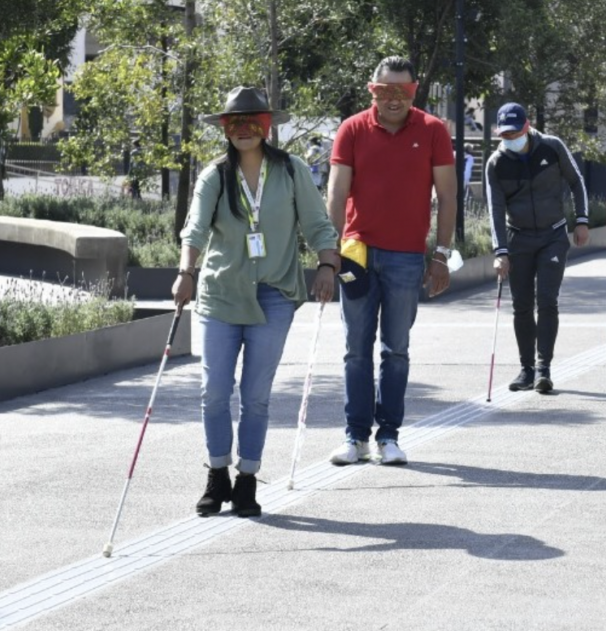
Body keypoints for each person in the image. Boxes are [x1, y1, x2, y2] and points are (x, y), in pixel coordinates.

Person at [174, 86, 339, 517]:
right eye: (235, 122)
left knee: (256, 394)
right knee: (214, 391)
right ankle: (217, 474)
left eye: (253, 121)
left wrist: (327, 266)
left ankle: (247, 479)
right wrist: (185, 273)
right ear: (225, 129)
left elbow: (319, 224)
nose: (244, 129)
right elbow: (194, 229)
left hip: (275, 294)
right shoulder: (214, 175)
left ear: (267, 127)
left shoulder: (291, 170)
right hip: (220, 293)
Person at [326, 56, 457, 466]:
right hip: (357, 253)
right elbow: (335, 193)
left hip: (406, 256)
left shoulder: (434, 130)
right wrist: (328, 254)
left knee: (396, 350)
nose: (394, 99)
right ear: (373, 90)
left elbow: (448, 196)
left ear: (414, 91)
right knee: (355, 350)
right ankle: (355, 436)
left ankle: (389, 436)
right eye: (385, 91)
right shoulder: (352, 129)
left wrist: (440, 254)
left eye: (403, 91)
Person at [485, 102, 589, 394]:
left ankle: (544, 369)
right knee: (521, 305)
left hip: (552, 235)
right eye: (504, 134)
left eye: (515, 132)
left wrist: (581, 220)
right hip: (518, 237)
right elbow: (495, 208)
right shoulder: (496, 163)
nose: (510, 139)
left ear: (527, 126)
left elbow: (576, 181)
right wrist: (500, 251)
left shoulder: (552, 147)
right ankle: (526, 369)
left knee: (546, 300)